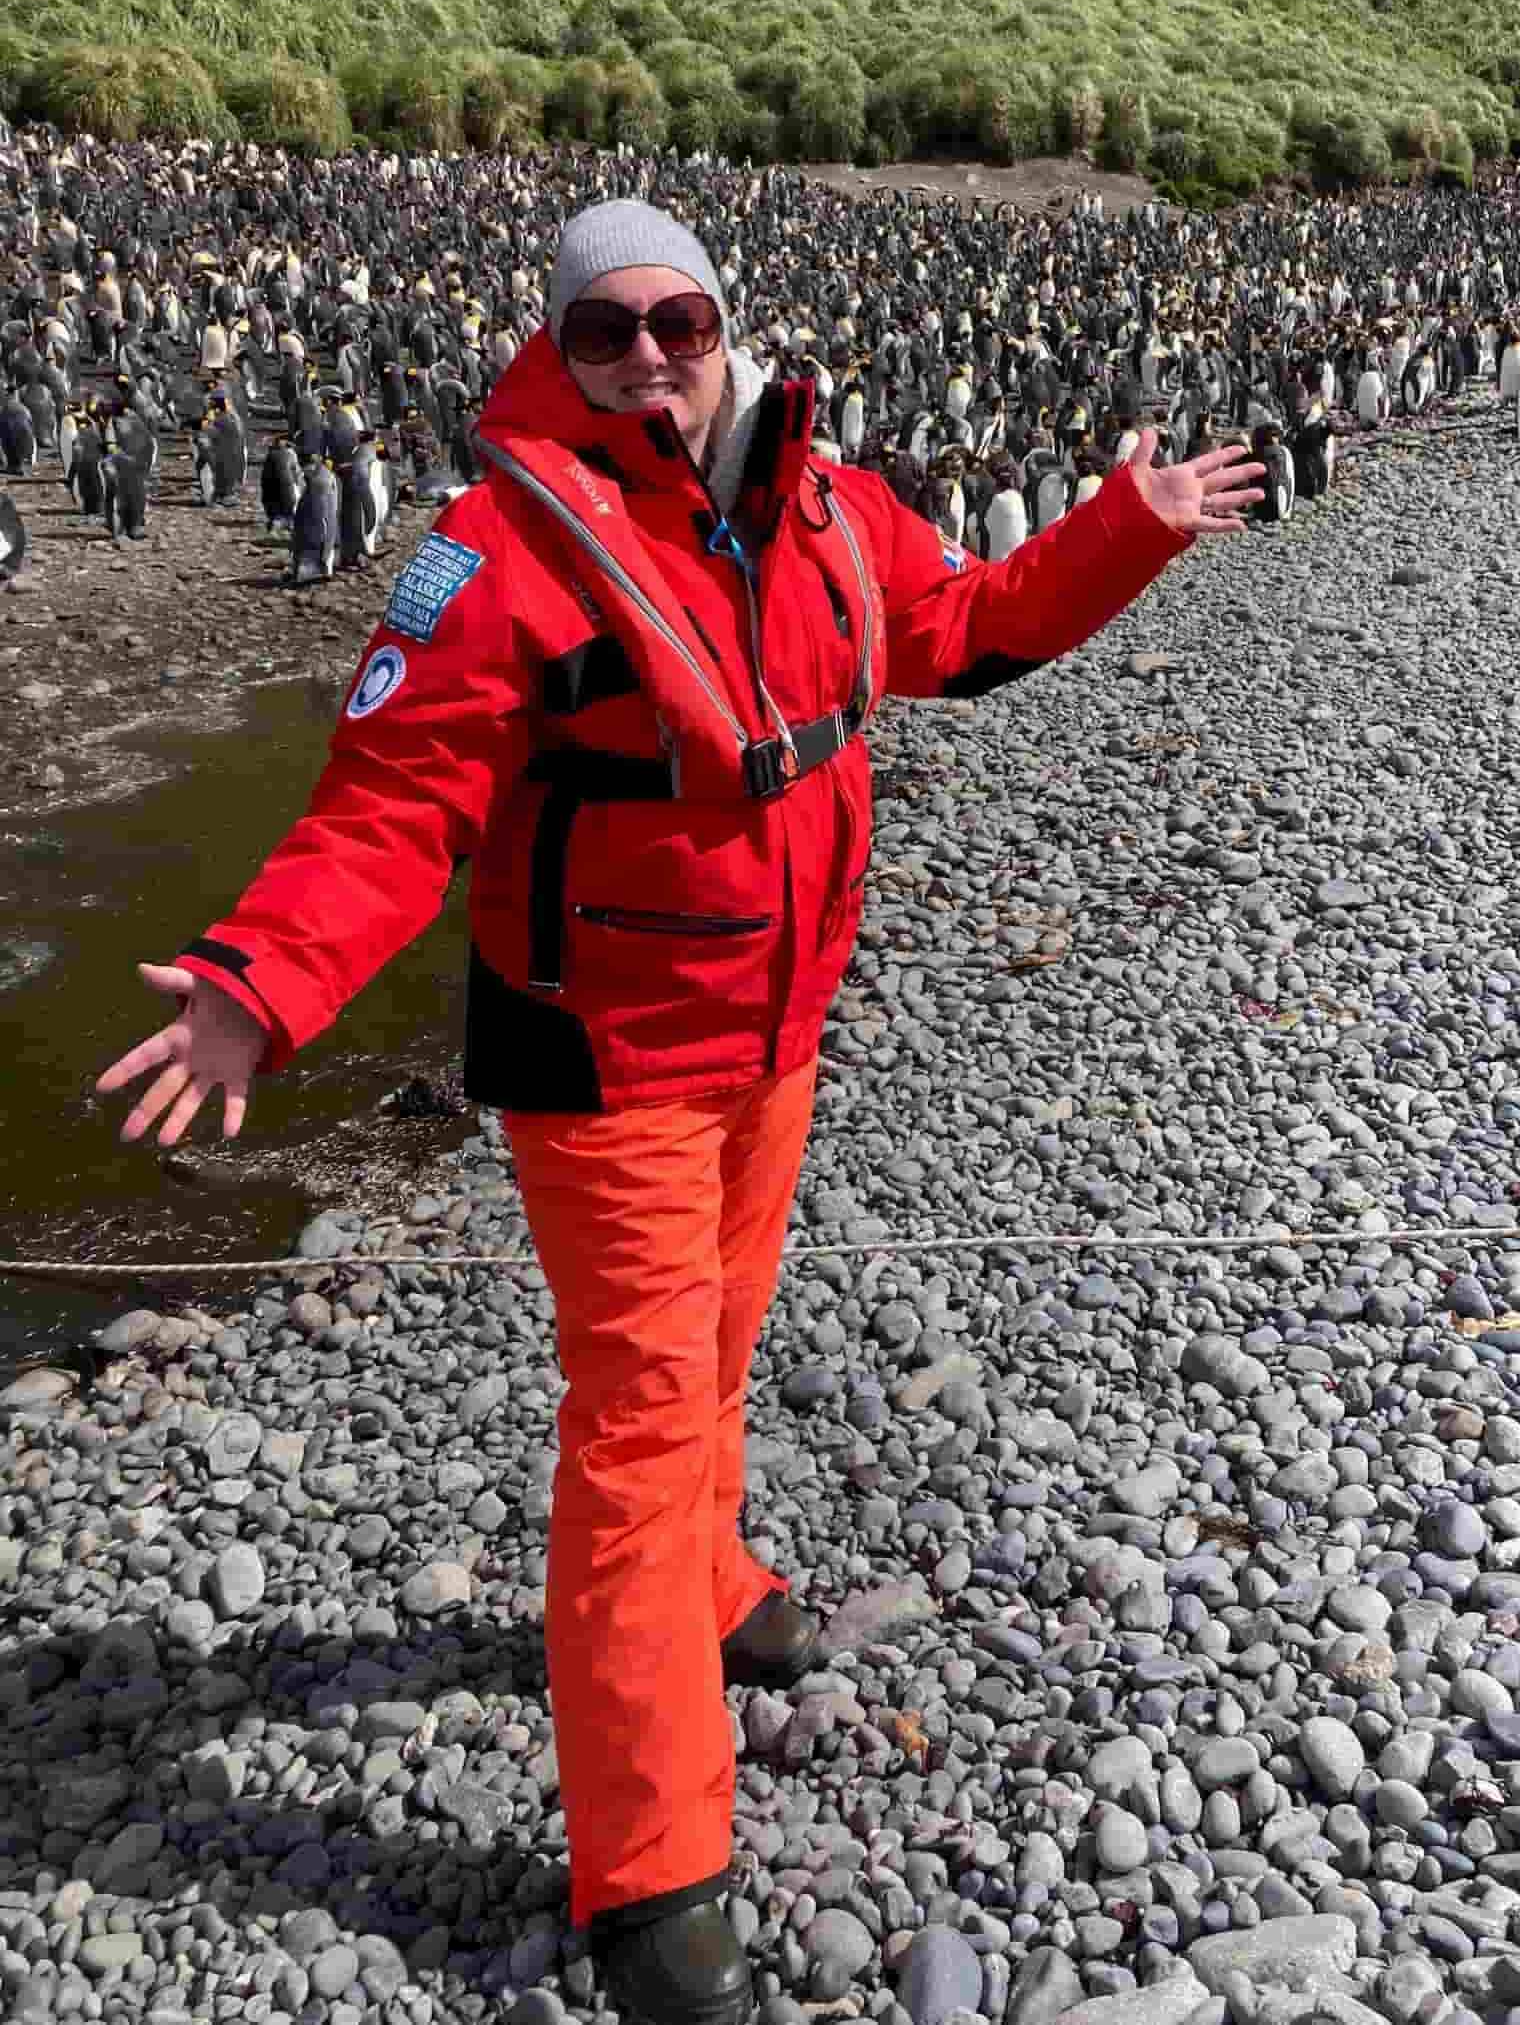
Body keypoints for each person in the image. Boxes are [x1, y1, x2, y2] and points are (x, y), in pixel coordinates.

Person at [94, 200, 1264, 2025]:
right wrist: (257, 984)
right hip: (604, 1052)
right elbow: (393, 800)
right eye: (607, 327)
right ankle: (650, 1871)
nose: (652, 351)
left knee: (715, 1355)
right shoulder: (493, 554)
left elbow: (956, 630)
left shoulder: (821, 498)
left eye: (681, 315)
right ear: (556, 350)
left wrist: (1127, 530)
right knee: (640, 1424)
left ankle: (716, 1592)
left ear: (729, 321)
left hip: (771, 1027)